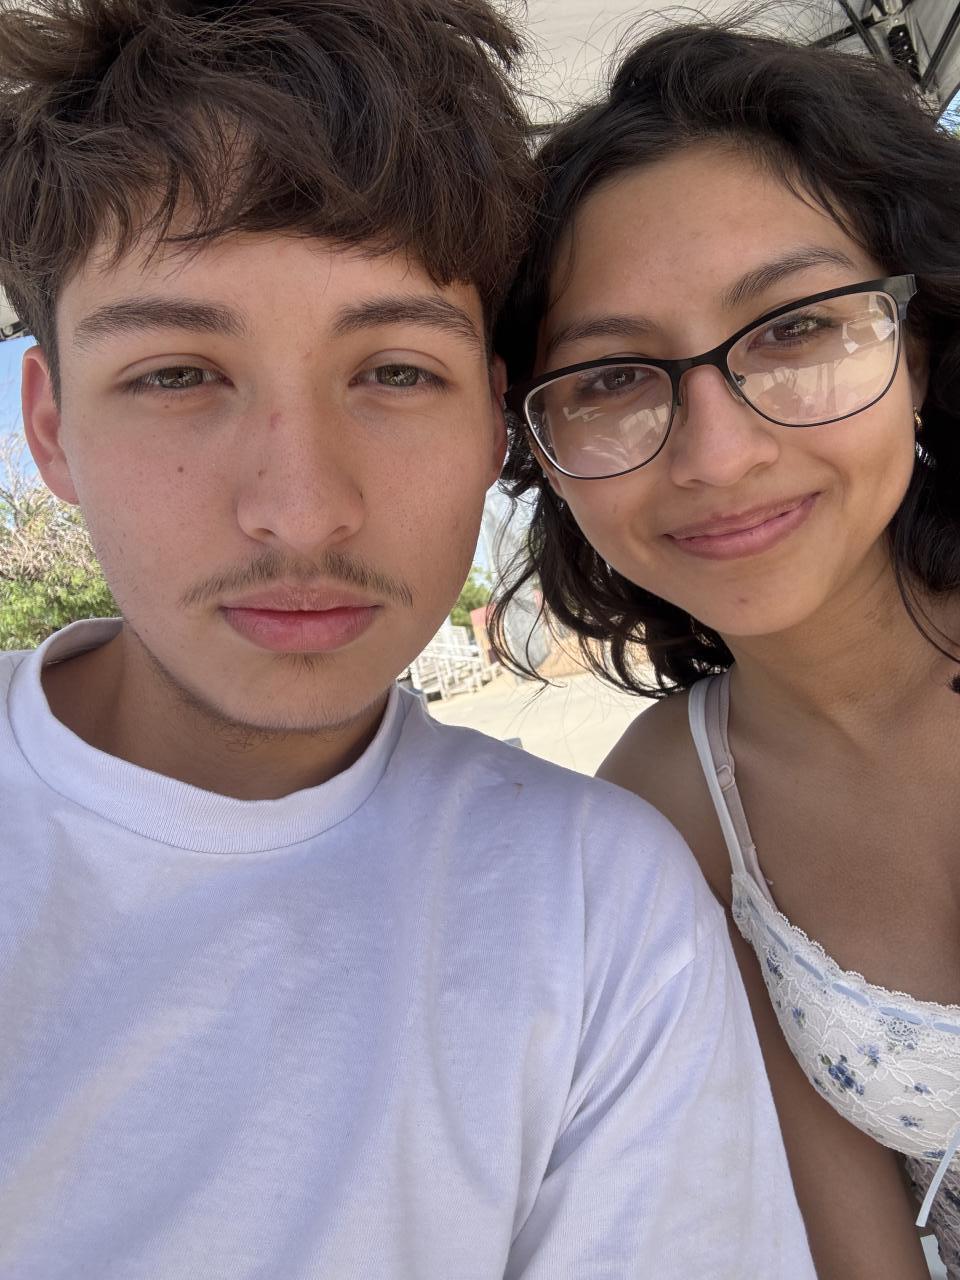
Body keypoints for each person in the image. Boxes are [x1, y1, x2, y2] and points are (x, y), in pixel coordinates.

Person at [0, 2, 815, 1276]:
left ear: (495, 422)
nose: (301, 508)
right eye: (176, 374)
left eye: (394, 372)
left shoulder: (596, 908)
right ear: (50, 428)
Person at [493, 18, 960, 1279]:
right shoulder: (668, 809)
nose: (719, 452)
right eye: (611, 378)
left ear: (916, 348)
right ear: (545, 455)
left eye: (796, 328)